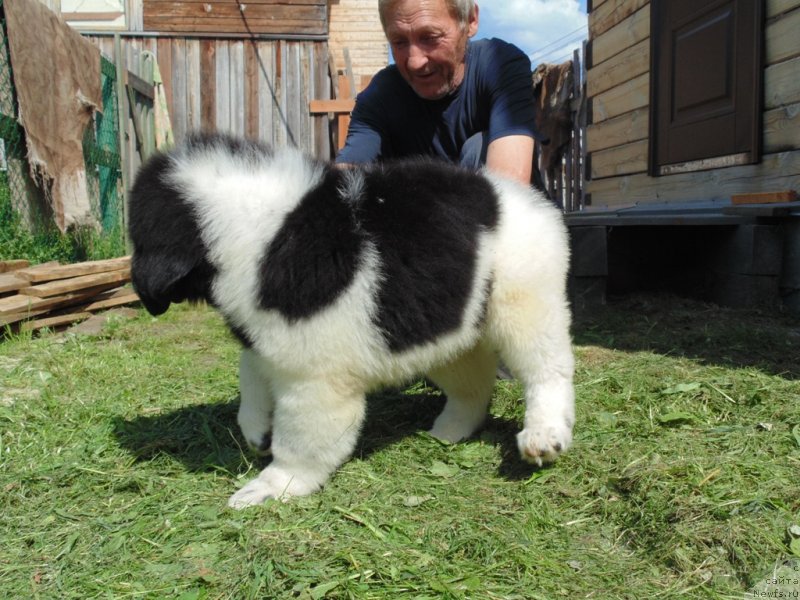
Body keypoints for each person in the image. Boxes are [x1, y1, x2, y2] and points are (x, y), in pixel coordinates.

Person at [335, 0, 541, 186]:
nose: (415, 62)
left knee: (478, 148)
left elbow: (510, 192)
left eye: (430, 37)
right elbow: (340, 185)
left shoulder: (499, 66)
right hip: (425, 222)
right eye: (399, 42)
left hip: (508, 224)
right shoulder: (380, 95)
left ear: (470, 20)